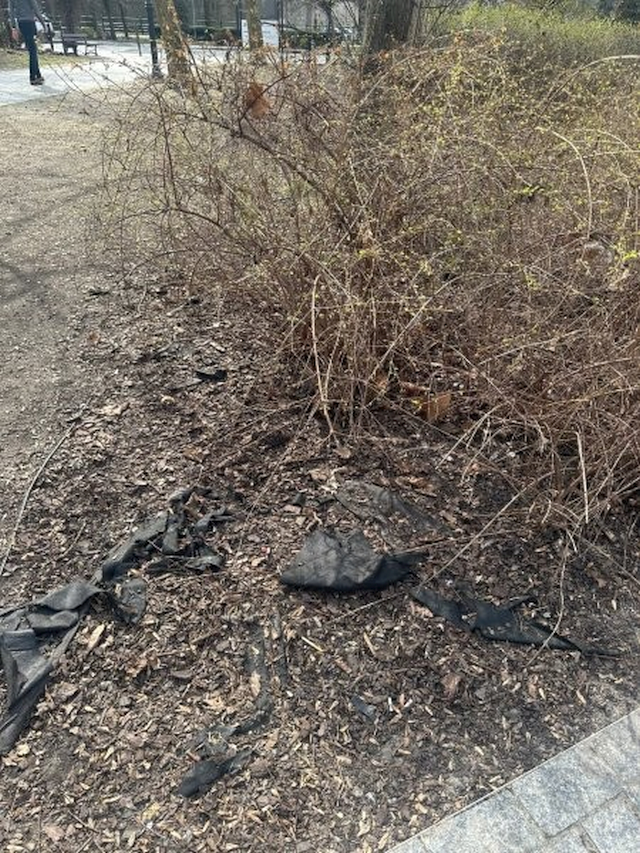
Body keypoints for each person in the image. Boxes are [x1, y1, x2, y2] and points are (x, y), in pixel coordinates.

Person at [9, 0, 46, 85]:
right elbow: (35, 8)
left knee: (32, 49)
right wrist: (43, 23)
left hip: (21, 23)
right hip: (30, 22)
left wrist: (13, 27)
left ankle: (38, 75)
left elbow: (11, 11)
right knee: (33, 50)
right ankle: (33, 77)